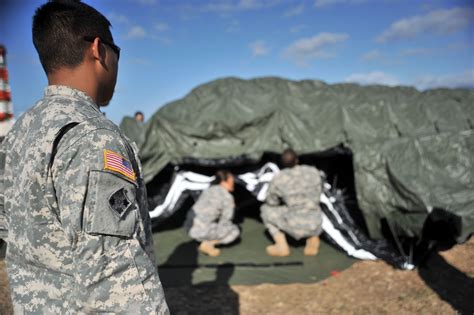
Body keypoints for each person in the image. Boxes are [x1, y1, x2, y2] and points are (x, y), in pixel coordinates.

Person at [0, 1, 169, 313]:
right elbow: (114, 277)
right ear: (98, 49)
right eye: (117, 52)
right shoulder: (94, 138)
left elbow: (8, 229)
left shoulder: (18, 134)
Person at [260, 149, 323, 257]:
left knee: (265, 210)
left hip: (295, 224)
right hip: (315, 221)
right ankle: (313, 237)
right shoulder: (313, 171)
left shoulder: (279, 178)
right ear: (297, 159)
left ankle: (281, 246)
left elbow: (271, 202)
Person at [185, 170, 240, 256]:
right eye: (231, 181)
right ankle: (208, 244)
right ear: (224, 181)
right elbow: (226, 220)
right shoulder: (227, 197)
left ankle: (204, 239)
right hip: (200, 230)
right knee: (234, 230)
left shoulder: (209, 189)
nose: (233, 183)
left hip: (188, 226)